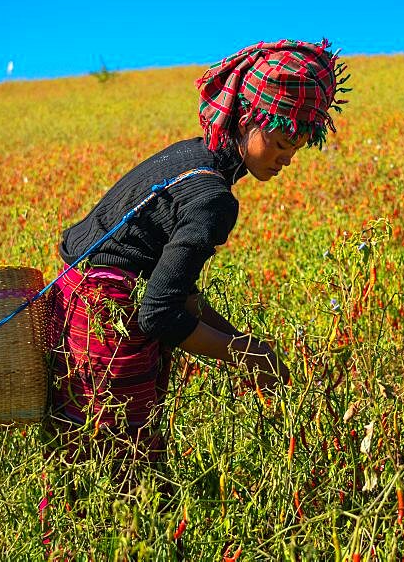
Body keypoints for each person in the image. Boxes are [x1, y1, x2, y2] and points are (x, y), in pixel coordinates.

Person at [43, 39, 351, 469]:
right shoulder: (213, 199)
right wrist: (249, 357)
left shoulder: (193, 155)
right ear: (249, 118)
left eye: (296, 148)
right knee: (127, 467)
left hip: (69, 299)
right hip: (102, 319)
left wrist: (246, 345)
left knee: (79, 451)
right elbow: (160, 314)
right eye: (281, 141)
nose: (287, 159)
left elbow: (178, 294)